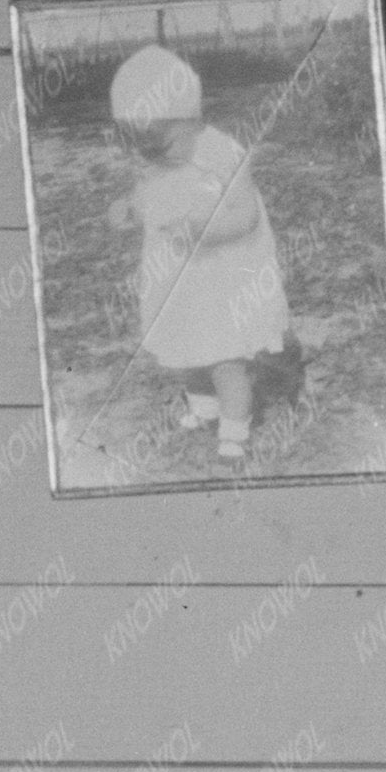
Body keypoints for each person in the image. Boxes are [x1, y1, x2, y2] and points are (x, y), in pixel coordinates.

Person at [107, 36, 290, 458]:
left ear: (191, 117)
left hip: (223, 277)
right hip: (179, 280)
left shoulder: (223, 154)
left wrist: (202, 230)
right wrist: (129, 210)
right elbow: (146, 200)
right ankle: (204, 408)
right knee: (184, 348)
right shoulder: (157, 157)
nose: (153, 154)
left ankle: (233, 430)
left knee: (225, 357)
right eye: (142, 144)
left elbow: (244, 217)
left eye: (162, 142)